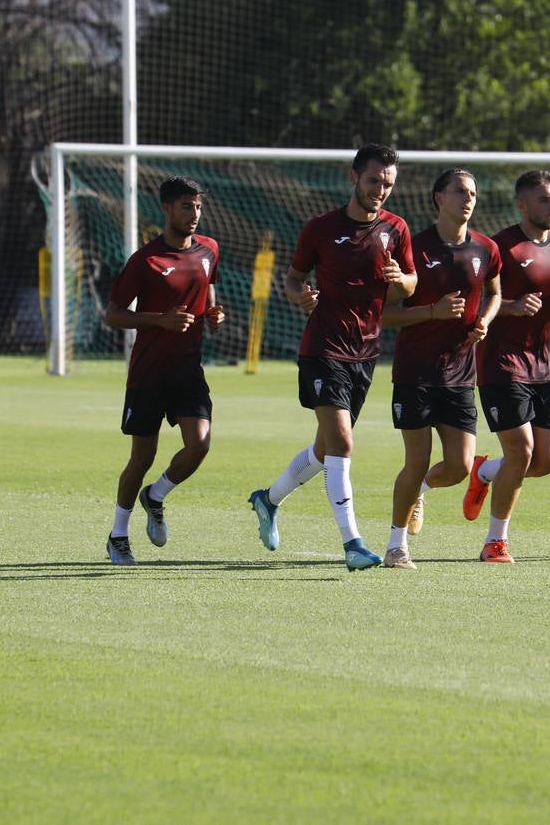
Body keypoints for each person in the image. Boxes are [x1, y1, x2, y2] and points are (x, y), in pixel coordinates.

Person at [247, 144, 417, 570]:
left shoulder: (397, 229)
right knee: (342, 442)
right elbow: (291, 280)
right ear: (354, 177)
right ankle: (354, 544)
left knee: (326, 451)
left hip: (366, 352)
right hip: (322, 349)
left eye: (388, 184)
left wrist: (403, 279)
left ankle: (267, 501)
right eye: (375, 181)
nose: (381, 190)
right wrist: (300, 296)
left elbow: (411, 284)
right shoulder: (320, 228)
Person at [379, 169, 502, 570]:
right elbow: (385, 314)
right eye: (460, 192)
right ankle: (396, 547)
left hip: (460, 373)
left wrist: (485, 318)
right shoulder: (413, 248)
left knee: (460, 466)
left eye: (473, 192)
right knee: (415, 461)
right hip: (415, 372)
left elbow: (497, 292)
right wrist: (431, 312)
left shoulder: (486, 248)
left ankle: (421, 493)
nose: (468, 199)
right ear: (438, 198)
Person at [460, 170, 550, 564]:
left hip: (545, 367)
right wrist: (510, 307)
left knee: (546, 462)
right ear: (522, 205)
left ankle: (485, 472)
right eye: (544, 199)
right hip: (501, 365)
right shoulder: (499, 248)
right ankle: (495, 542)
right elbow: (472, 304)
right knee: (523, 451)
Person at [101, 176, 224, 565]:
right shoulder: (145, 260)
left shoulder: (209, 250)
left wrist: (213, 314)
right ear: (167, 208)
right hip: (149, 373)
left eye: (198, 206)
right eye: (186, 206)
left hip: (188, 371)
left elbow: (209, 291)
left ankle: (155, 496)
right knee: (142, 457)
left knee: (199, 444)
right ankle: (118, 535)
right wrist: (160, 320)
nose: (194, 214)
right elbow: (114, 315)